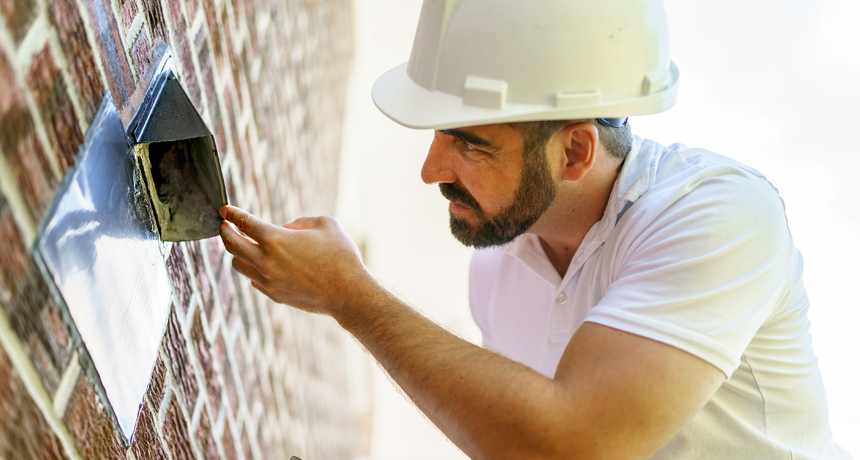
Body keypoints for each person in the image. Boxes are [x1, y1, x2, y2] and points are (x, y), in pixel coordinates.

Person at [218, 0, 852, 458]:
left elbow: (572, 442)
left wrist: (350, 295)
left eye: (469, 144)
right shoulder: (495, 272)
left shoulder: (718, 216)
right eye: (437, 134)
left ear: (574, 153)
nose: (431, 169)